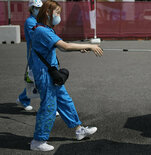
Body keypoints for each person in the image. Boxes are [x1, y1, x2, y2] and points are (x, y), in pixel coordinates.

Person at [29, 0, 103, 151]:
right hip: (45, 75)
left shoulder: (45, 29)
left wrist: (81, 48)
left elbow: (62, 48)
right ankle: (38, 141)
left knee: (64, 101)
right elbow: (65, 46)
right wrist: (89, 45)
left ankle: (78, 129)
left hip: (50, 73)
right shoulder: (42, 30)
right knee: (48, 107)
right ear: (48, 13)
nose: (58, 16)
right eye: (57, 13)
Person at [16, 0, 43, 111]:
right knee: (39, 80)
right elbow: (36, 37)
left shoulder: (40, 20)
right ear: (32, 9)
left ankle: (23, 98)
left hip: (42, 55)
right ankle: (47, 106)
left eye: (40, 7)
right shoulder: (30, 21)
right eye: (37, 8)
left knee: (35, 80)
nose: (39, 10)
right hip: (34, 56)